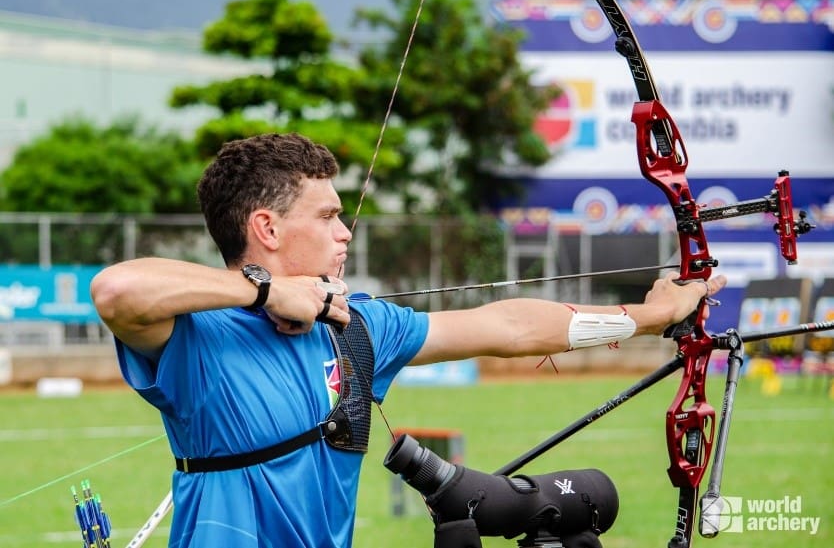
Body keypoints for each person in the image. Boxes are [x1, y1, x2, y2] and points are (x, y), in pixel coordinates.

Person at [91, 132, 727, 548]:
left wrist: (646, 318)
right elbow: (116, 291)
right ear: (267, 227)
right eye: (328, 216)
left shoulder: (356, 326)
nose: (345, 233)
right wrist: (265, 292)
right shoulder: (199, 335)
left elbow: (506, 326)